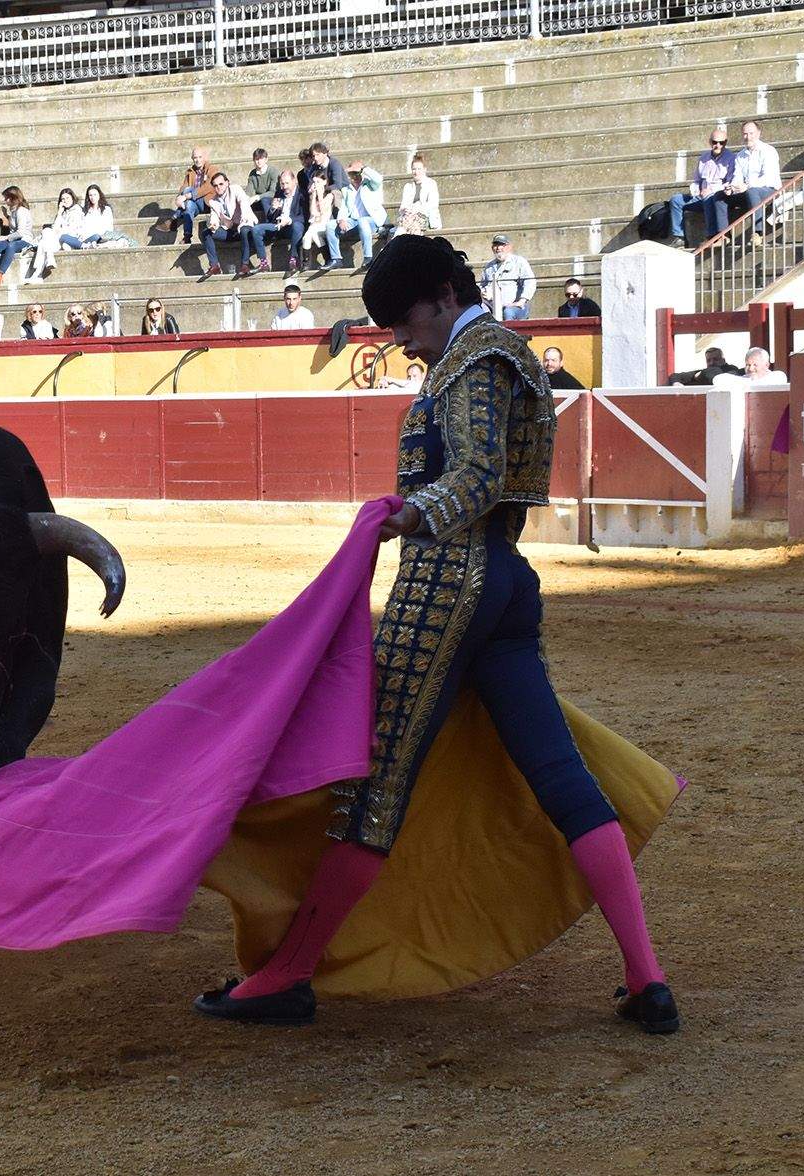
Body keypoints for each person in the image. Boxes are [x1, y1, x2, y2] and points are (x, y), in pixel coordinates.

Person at [193, 233, 678, 1033]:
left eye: (405, 317)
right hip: (506, 584)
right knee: (559, 777)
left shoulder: (475, 356)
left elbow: (480, 472)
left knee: (372, 785)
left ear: (447, 295)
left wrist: (419, 512)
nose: (399, 337)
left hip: (448, 582)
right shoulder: (501, 351)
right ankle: (647, 978)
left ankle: (287, 974)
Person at [668, 128, 735, 248]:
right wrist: (695, 189)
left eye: (722, 142)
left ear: (726, 142)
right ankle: (679, 237)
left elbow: (730, 183)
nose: (718, 145)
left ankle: (712, 236)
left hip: (717, 196)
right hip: (699, 195)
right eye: (715, 142)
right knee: (676, 200)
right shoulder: (703, 158)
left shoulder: (731, 158)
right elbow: (697, 180)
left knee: (709, 198)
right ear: (710, 142)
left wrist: (712, 190)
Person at [725, 121, 781, 240]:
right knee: (719, 197)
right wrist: (732, 187)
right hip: (748, 191)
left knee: (752, 191)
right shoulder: (740, 155)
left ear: (759, 133)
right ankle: (722, 235)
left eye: (751, 133)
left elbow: (768, 178)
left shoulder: (768, 151)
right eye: (745, 134)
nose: (748, 137)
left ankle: (758, 233)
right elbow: (737, 176)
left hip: (770, 190)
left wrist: (748, 186)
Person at [201, 169, 260, 277]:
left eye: (221, 184)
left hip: (245, 224)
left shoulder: (235, 190)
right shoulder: (213, 201)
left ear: (227, 183)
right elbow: (214, 217)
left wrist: (242, 219)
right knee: (206, 233)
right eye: (215, 186)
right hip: (230, 230)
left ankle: (245, 265)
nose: (218, 187)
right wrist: (213, 225)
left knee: (244, 229)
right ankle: (214, 266)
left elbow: (243, 202)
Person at [0, 187, 34, 287]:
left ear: (13, 198)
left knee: (11, 246)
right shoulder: (14, 210)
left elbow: (21, 232)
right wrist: (7, 215)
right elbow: (14, 224)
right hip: (14, 239)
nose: (5, 200)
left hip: (24, 240)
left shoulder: (21, 211)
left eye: (6, 198)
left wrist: (6, 237)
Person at [253, 170, 304, 277]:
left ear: (294, 181)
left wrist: (289, 220)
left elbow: (304, 216)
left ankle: (294, 259)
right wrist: (273, 209)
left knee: (298, 226)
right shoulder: (280, 193)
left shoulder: (302, 194)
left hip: (292, 227)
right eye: (282, 184)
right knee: (256, 229)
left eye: (287, 183)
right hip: (278, 225)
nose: (284, 186)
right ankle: (263, 263)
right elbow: (271, 218)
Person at [338, 161, 385, 269]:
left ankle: (368, 257)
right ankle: (335, 259)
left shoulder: (371, 185)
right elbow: (344, 208)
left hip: (372, 220)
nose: (354, 176)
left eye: (356, 173)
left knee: (362, 221)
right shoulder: (347, 189)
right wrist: (341, 219)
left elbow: (378, 178)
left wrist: (363, 168)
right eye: (351, 174)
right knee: (330, 226)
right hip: (354, 221)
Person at [32, 187, 83, 281]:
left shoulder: (77, 210)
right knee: (44, 241)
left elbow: (73, 230)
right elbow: (55, 227)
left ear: (72, 198)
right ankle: (44, 266)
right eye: (63, 199)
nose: (65, 201)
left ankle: (38, 273)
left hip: (69, 239)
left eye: (67, 198)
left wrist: (59, 230)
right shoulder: (62, 212)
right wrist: (59, 212)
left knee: (46, 234)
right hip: (57, 240)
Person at [480, 234, 535, 321]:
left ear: (509, 247)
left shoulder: (519, 262)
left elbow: (530, 282)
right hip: (492, 306)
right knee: (479, 312)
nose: (498, 248)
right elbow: (482, 285)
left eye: (502, 245)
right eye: (496, 245)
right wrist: (483, 293)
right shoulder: (489, 267)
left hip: (514, 307)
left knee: (508, 312)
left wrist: (521, 301)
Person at [299, 174, 344, 271]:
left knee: (314, 233)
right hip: (315, 224)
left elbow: (323, 211)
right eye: (314, 182)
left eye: (318, 182)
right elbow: (313, 212)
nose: (316, 184)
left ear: (324, 182)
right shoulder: (313, 196)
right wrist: (314, 195)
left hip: (325, 224)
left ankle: (327, 259)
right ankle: (306, 263)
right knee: (307, 237)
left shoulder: (330, 195)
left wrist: (319, 194)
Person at [393, 155, 441, 236]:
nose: (416, 172)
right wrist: (406, 211)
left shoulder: (431, 184)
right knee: (402, 229)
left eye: (419, 169)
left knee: (413, 227)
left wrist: (416, 210)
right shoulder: (408, 186)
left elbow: (432, 205)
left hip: (425, 217)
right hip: (408, 218)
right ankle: (394, 246)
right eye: (414, 169)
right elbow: (403, 206)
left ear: (424, 170)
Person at [64, 185, 114, 251]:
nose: (92, 197)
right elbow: (81, 226)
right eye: (90, 195)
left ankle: (76, 245)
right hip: (85, 238)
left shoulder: (106, 209)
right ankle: (82, 245)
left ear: (99, 195)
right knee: (63, 237)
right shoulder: (85, 210)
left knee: (96, 236)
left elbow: (109, 227)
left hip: (99, 237)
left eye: (95, 194)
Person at [667, 346, 741, 385]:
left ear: (723, 360)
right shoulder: (702, 372)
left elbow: (713, 375)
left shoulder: (732, 369)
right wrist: (676, 384)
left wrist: (700, 375)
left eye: (715, 359)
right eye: (709, 360)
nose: (712, 363)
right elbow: (675, 376)